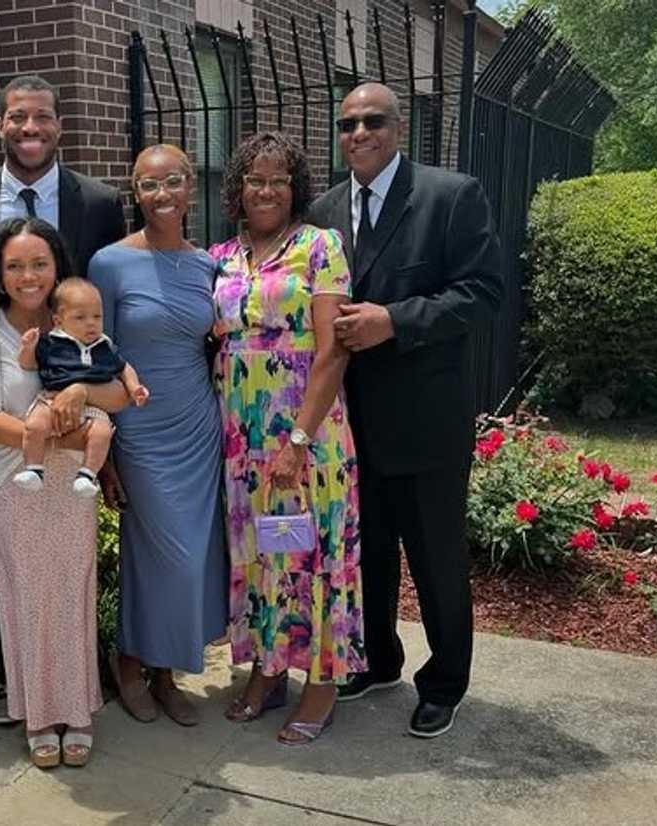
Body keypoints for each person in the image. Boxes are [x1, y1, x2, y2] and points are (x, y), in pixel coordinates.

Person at [305, 82, 502, 738]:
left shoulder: (450, 196)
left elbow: (482, 292)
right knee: (369, 557)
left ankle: (445, 681)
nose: (358, 133)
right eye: (347, 123)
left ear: (399, 128)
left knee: (436, 560)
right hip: (350, 422)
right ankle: (378, 659)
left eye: (373, 121)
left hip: (426, 421)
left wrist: (397, 320)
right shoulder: (325, 210)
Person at [0, 74, 126, 724]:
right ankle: (14, 682)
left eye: (42, 117)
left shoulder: (99, 203)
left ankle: (73, 682)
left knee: (70, 568)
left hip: (75, 421)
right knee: (9, 566)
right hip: (0, 428)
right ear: (0, 124)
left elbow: (101, 311)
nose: (30, 128)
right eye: (17, 117)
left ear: (59, 125)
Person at [209, 131, 365, 745]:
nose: (266, 189)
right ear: (238, 188)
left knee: (312, 554)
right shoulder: (221, 256)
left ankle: (321, 682)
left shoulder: (320, 247)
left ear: (295, 187)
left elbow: (332, 352)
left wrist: (297, 440)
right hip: (240, 437)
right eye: (254, 179)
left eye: (277, 179)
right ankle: (267, 668)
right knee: (260, 551)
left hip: (307, 434)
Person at [89, 144, 228, 727]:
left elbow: (213, 342)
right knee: (160, 555)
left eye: (173, 181)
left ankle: (166, 673)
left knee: (191, 559)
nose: (162, 194)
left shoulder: (208, 265)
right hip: (140, 431)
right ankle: (128, 666)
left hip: (199, 427)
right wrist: (110, 453)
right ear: (135, 193)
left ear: (190, 187)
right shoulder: (109, 263)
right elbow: (99, 358)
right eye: (150, 185)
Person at [14, 277, 149, 497]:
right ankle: (33, 469)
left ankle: (87, 475)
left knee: (102, 433)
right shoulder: (51, 343)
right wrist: (28, 348)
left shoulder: (104, 346)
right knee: (34, 425)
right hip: (52, 399)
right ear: (58, 321)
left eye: (97, 317)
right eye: (80, 317)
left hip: (92, 405)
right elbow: (28, 364)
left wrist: (135, 388)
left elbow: (124, 368)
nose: (91, 323)